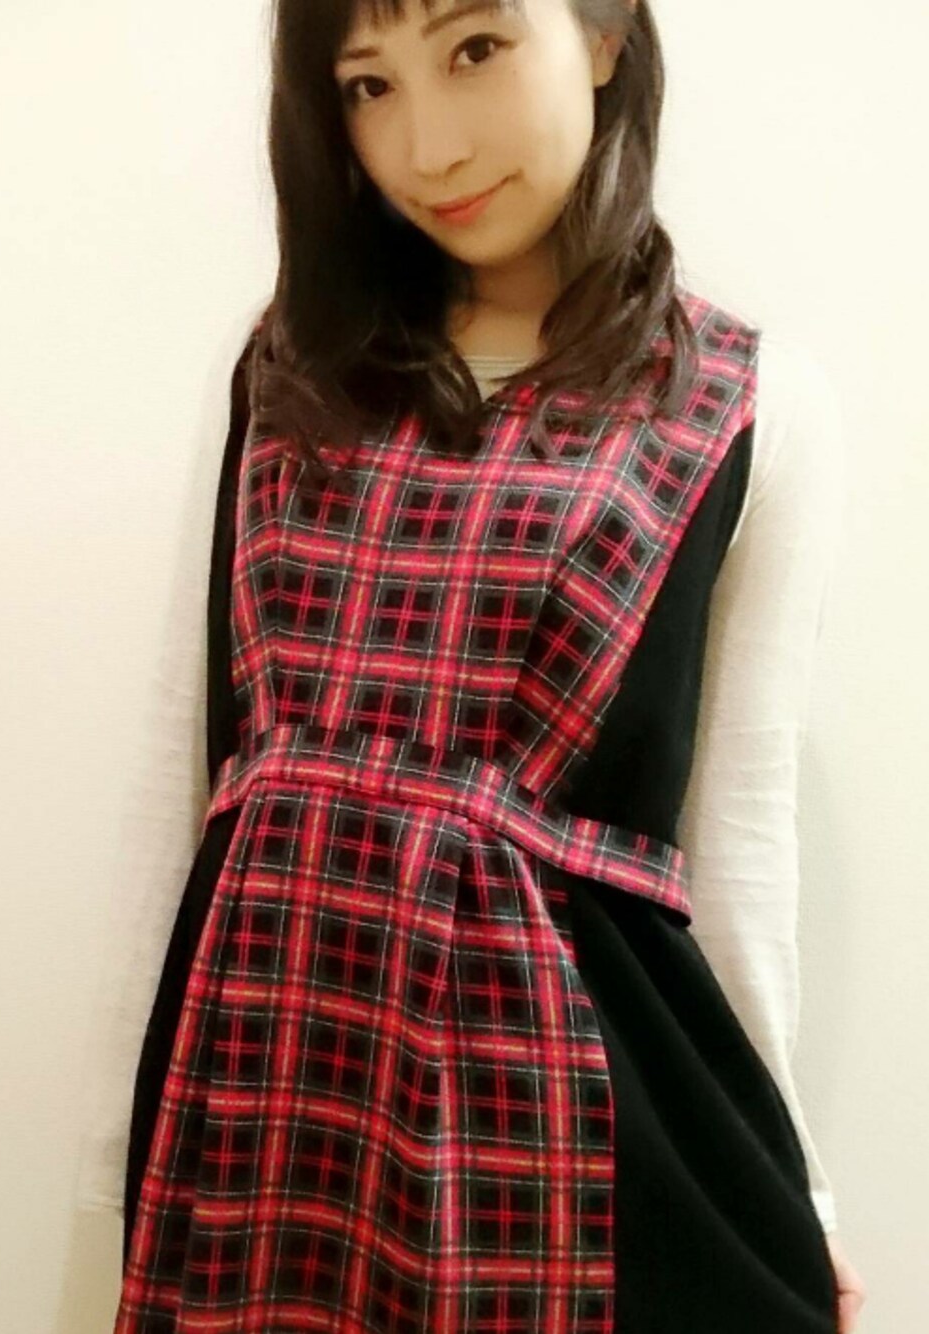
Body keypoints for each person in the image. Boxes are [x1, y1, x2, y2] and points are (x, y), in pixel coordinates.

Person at [85, 1, 867, 1329]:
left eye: (475, 49)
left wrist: (805, 1193)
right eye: (367, 85)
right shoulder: (286, 369)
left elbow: (736, 840)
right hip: (266, 1070)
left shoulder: (749, 398)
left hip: (551, 1111)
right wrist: (117, 1162)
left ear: (605, 36)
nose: (428, 147)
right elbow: (189, 776)